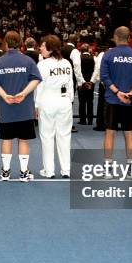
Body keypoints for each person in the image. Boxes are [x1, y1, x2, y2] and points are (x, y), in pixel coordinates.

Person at [0, 31, 42, 182]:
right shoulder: (28, 61)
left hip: (6, 109)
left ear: (5, 43)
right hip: (24, 109)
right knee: (23, 140)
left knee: (7, 139)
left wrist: (5, 95)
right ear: (20, 43)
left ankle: (5, 172)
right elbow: (36, 79)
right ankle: (24, 173)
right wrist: (23, 93)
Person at [100, 27, 132, 178]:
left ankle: (108, 169)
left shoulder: (108, 55)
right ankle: (131, 169)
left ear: (115, 37)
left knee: (110, 133)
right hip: (128, 101)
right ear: (129, 38)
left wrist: (117, 92)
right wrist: (130, 94)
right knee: (130, 134)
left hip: (112, 100)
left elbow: (104, 76)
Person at [36, 35, 73, 178]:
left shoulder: (42, 65)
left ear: (50, 48)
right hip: (64, 102)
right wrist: (68, 101)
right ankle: (66, 170)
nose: (40, 48)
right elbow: (70, 86)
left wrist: (36, 105)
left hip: (47, 101)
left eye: (43, 46)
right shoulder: (67, 63)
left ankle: (49, 171)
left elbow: (39, 87)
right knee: (64, 136)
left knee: (47, 136)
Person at [61, 35, 85, 133]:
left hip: (59, 79)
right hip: (70, 80)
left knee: (60, 100)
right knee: (69, 101)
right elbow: (77, 67)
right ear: (76, 41)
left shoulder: (61, 49)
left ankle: (59, 124)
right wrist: (80, 82)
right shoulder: (74, 51)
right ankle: (68, 125)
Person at [78, 44, 95, 126]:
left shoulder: (79, 58)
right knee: (90, 101)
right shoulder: (93, 58)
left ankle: (83, 120)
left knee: (82, 101)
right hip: (91, 82)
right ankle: (90, 120)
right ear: (88, 50)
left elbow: (77, 71)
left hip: (82, 82)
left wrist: (82, 81)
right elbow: (95, 71)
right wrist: (91, 81)